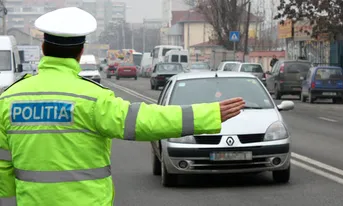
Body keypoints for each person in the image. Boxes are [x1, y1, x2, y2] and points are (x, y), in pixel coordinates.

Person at [0, 7, 245, 206]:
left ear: (43, 49)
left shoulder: (8, 100)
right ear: (80, 51)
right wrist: (208, 113)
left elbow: (3, 171)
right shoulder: (93, 99)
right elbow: (146, 121)